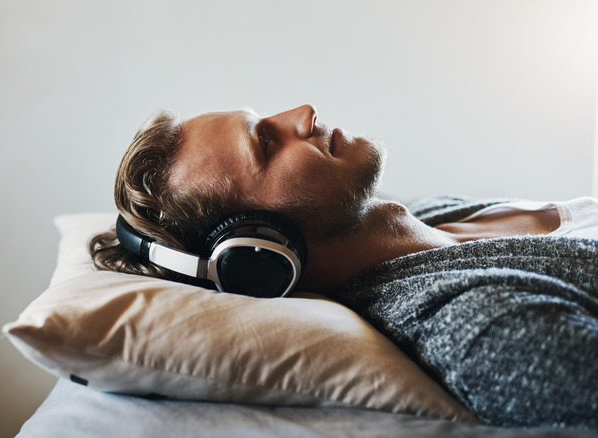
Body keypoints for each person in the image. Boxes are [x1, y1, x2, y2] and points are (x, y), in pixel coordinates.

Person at [90, 104, 598, 429]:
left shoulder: (435, 212)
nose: (303, 113)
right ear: (257, 249)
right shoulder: (478, 324)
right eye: (266, 143)